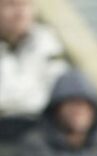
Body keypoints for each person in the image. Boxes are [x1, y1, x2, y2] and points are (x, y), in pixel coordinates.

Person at [0, 0, 68, 139]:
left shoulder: (48, 42)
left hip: (39, 129)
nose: (20, 13)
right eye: (10, 5)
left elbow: (59, 88)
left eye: (25, 5)